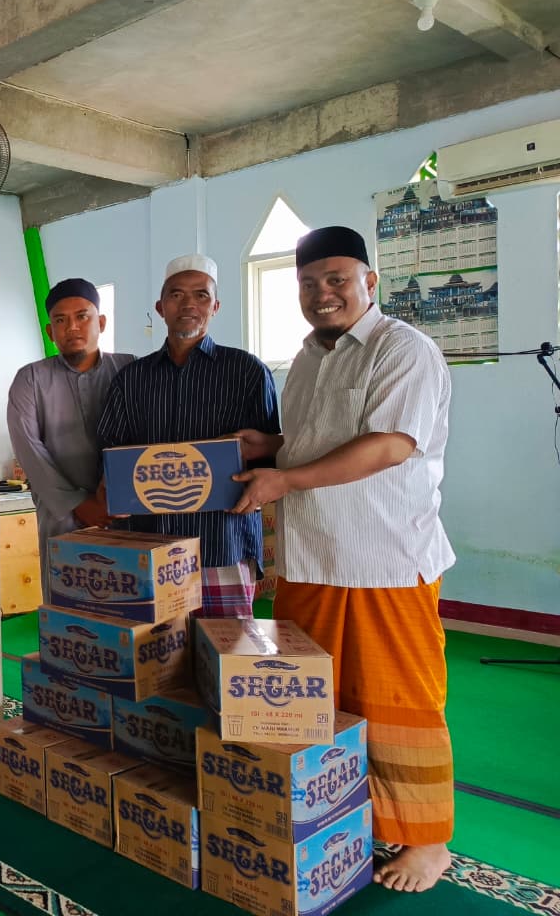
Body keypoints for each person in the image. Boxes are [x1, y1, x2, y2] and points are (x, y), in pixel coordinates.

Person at [231, 225, 455, 893]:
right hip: (310, 559)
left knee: (400, 702)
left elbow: (390, 445)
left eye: (336, 280)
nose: (321, 293)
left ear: (369, 282)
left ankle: (428, 840)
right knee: (318, 700)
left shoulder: (403, 349)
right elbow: (314, 440)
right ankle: (344, 812)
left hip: (383, 559)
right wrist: (267, 446)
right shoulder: (306, 358)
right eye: (308, 283)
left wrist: (284, 479)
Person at [96, 254, 280, 617]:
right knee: (155, 651)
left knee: (226, 645)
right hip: (150, 550)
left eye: (201, 295)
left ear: (215, 306)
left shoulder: (247, 372)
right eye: (177, 295)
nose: (188, 305)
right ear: (160, 307)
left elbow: (270, 456)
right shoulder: (131, 380)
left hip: (222, 545)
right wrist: (111, 490)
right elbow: (110, 455)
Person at [7, 277, 135, 585]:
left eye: (82, 316)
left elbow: (145, 434)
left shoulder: (130, 369)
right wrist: (79, 504)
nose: (72, 327)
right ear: (50, 332)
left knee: (132, 597)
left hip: (125, 513)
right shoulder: (30, 379)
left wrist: (113, 496)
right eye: (61, 320)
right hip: (62, 518)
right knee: (68, 603)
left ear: (101, 323)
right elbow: (29, 449)